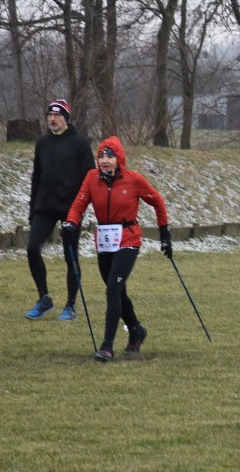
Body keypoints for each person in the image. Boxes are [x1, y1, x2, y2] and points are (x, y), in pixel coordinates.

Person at [61, 135, 173, 362]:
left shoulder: (133, 179)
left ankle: (107, 346)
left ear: (118, 159)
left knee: (113, 288)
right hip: (104, 239)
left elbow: (157, 201)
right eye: (101, 155)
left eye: (109, 156)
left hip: (128, 239)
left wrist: (164, 232)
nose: (104, 160)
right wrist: (71, 222)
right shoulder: (92, 178)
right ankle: (135, 330)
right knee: (118, 291)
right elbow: (79, 204)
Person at [25, 99, 95, 321]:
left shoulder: (80, 144)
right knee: (32, 249)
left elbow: (90, 180)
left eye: (57, 115)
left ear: (66, 118)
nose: (52, 119)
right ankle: (44, 298)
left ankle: (71, 305)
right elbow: (36, 176)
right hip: (44, 208)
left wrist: (79, 210)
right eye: (49, 115)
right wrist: (32, 207)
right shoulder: (42, 143)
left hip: (70, 210)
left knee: (70, 256)